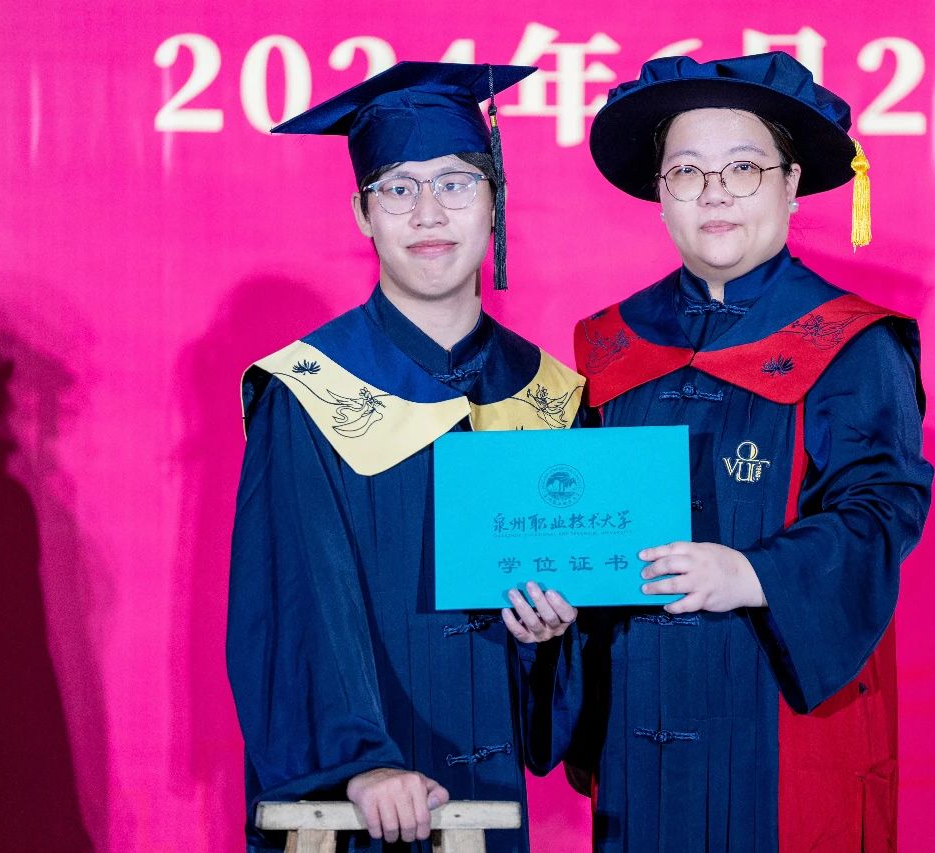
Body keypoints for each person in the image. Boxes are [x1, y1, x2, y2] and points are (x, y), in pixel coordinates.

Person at [569, 53, 934, 851]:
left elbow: (883, 509)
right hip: (640, 717)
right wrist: (551, 610)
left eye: (743, 168)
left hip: (781, 716)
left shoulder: (853, 344)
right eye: (686, 172)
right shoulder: (607, 345)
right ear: (660, 193)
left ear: (791, 183)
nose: (714, 193)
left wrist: (753, 573)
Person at [227, 62, 582, 853]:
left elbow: (562, 647)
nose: (428, 213)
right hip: (359, 810)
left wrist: (548, 639)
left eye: (456, 183)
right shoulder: (309, 392)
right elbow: (296, 598)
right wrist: (360, 764)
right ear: (363, 212)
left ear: (495, 200)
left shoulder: (549, 394)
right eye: (397, 188)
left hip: (492, 804)